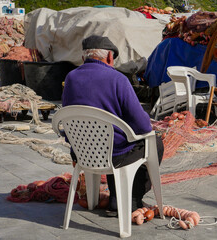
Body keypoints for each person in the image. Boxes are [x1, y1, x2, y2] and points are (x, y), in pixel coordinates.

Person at [62, 35, 164, 216]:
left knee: (113, 139)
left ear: (84, 58)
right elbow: (142, 126)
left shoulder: (70, 78)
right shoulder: (118, 79)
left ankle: (116, 197)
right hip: (114, 154)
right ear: (110, 57)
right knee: (153, 143)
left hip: (82, 152)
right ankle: (130, 199)